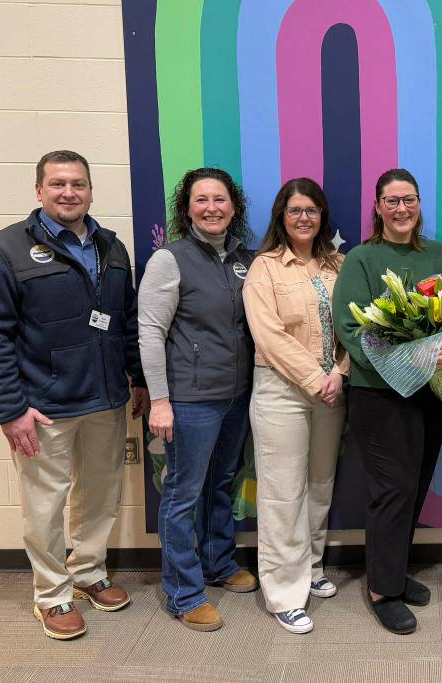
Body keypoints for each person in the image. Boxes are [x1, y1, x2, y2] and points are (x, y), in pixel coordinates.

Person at [0, 150, 147, 640]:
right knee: (45, 505)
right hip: (42, 408)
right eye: (58, 184)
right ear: (38, 190)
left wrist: (138, 378)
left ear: (90, 190)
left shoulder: (112, 248)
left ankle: (88, 572)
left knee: (101, 495)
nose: (69, 193)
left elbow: (124, 322)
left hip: (105, 400)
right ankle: (52, 593)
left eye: (79, 184)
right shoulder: (4, 251)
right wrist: (10, 410)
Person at [331, 168, 442, 635]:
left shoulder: (441, 254)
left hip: (430, 394)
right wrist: (402, 366)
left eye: (409, 200)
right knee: (392, 489)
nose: (401, 208)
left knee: (415, 485)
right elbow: (350, 331)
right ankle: (382, 590)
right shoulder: (361, 259)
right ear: (377, 207)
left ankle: (395, 570)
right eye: (392, 201)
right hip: (380, 396)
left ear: (419, 204)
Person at [138, 167, 258, 632]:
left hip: (236, 396)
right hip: (189, 399)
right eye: (202, 200)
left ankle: (219, 563)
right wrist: (161, 401)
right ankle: (182, 591)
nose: (212, 208)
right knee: (183, 492)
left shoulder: (243, 260)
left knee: (221, 482)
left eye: (221, 199)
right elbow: (150, 333)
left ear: (234, 206)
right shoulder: (170, 260)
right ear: (186, 209)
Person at [243, 178, 348, 634]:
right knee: (284, 492)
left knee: (320, 483)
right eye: (294, 210)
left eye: (311, 209)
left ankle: (312, 567)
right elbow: (268, 335)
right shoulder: (264, 268)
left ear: (323, 215)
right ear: (281, 217)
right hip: (282, 391)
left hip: (333, 390)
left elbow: (359, 329)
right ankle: (284, 592)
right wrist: (315, 378)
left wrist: (340, 374)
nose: (303, 217)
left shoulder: (340, 264)